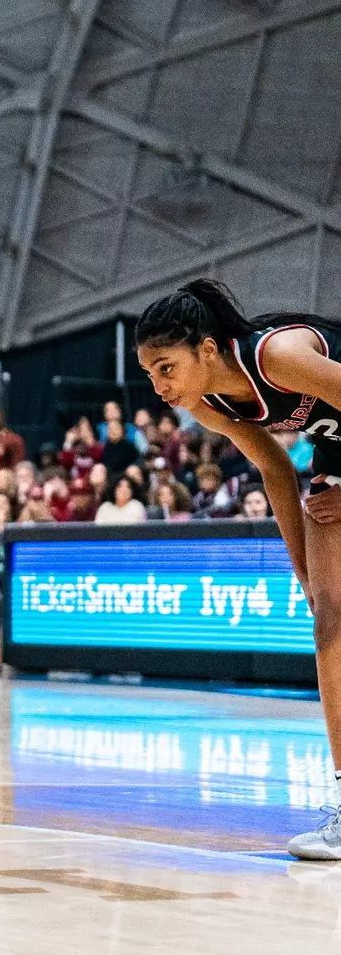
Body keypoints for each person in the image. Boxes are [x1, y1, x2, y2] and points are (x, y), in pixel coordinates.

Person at [135, 278, 341, 860]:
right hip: (337, 453)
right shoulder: (206, 403)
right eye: (149, 373)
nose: (159, 386)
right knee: (329, 624)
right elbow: (275, 469)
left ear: (207, 350)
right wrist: (305, 574)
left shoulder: (278, 356)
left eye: (166, 368)